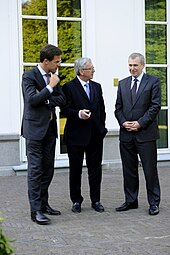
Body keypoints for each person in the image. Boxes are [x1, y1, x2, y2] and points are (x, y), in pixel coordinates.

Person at [21, 44, 66, 224]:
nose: (59, 65)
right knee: (35, 171)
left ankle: (44, 203)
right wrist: (49, 88)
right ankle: (36, 211)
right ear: (45, 61)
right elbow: (31, 100)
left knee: (48, 169)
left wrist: (45, 97)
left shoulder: (54, 76)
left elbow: (62, 99)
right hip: (34, 131)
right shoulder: (28, 76)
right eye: (56, 62)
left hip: (49, 130)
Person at [114, 52, 161, 216]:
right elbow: (118, 108)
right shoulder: (123, 83)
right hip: (126, 134)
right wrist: (123, 122)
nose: (132, 68)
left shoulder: (153, 81)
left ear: (143, 65)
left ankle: (154, 203)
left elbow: (155, 106)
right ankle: (131, 201)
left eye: (135, 65)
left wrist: (140, 123)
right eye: (130, 65)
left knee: (150, 170)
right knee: (129, 170)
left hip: (146, 134)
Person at [61, 57, 108, 213]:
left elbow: (101, 109)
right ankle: (76, 201)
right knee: (75, 170)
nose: (93, 70)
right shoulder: (68, 87)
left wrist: (102, 127)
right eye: (90, 68)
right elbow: (64, 110)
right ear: (81, 71)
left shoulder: (97, 87)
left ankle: (96, 200)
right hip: (76, 136)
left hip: (95, 135)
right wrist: (78, 114)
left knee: (95, 170)